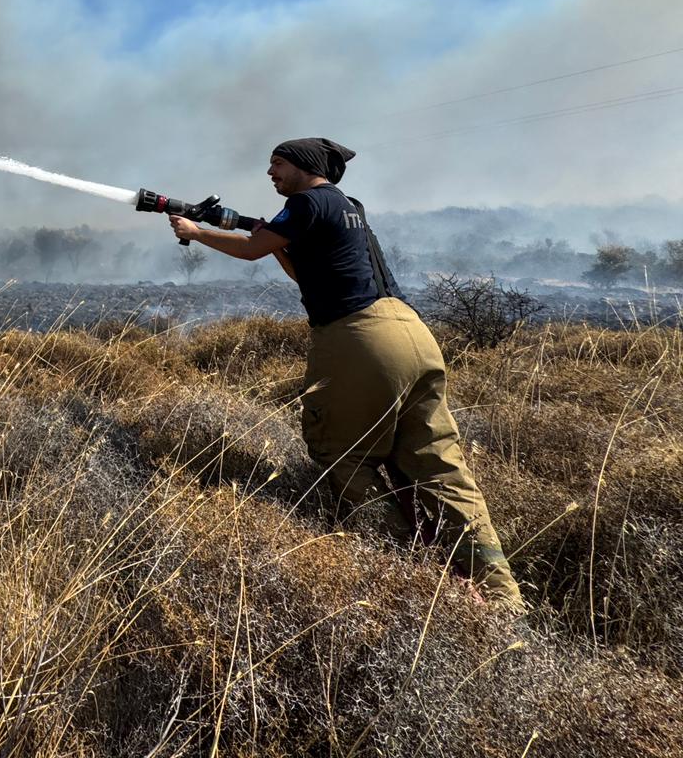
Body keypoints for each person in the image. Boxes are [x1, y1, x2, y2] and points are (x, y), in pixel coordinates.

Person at [166, 137, 524, 610]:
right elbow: (303, 270)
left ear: (305, 166)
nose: (270, 172)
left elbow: (253, 249)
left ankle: (408, 580)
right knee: (438, 466)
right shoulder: (348, 206)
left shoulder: (306, 201)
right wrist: (274, 237)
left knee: (343, 454)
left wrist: (195, 231)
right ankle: (502, 597)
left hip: (361, 338)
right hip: (412, 334)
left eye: (277, 163)